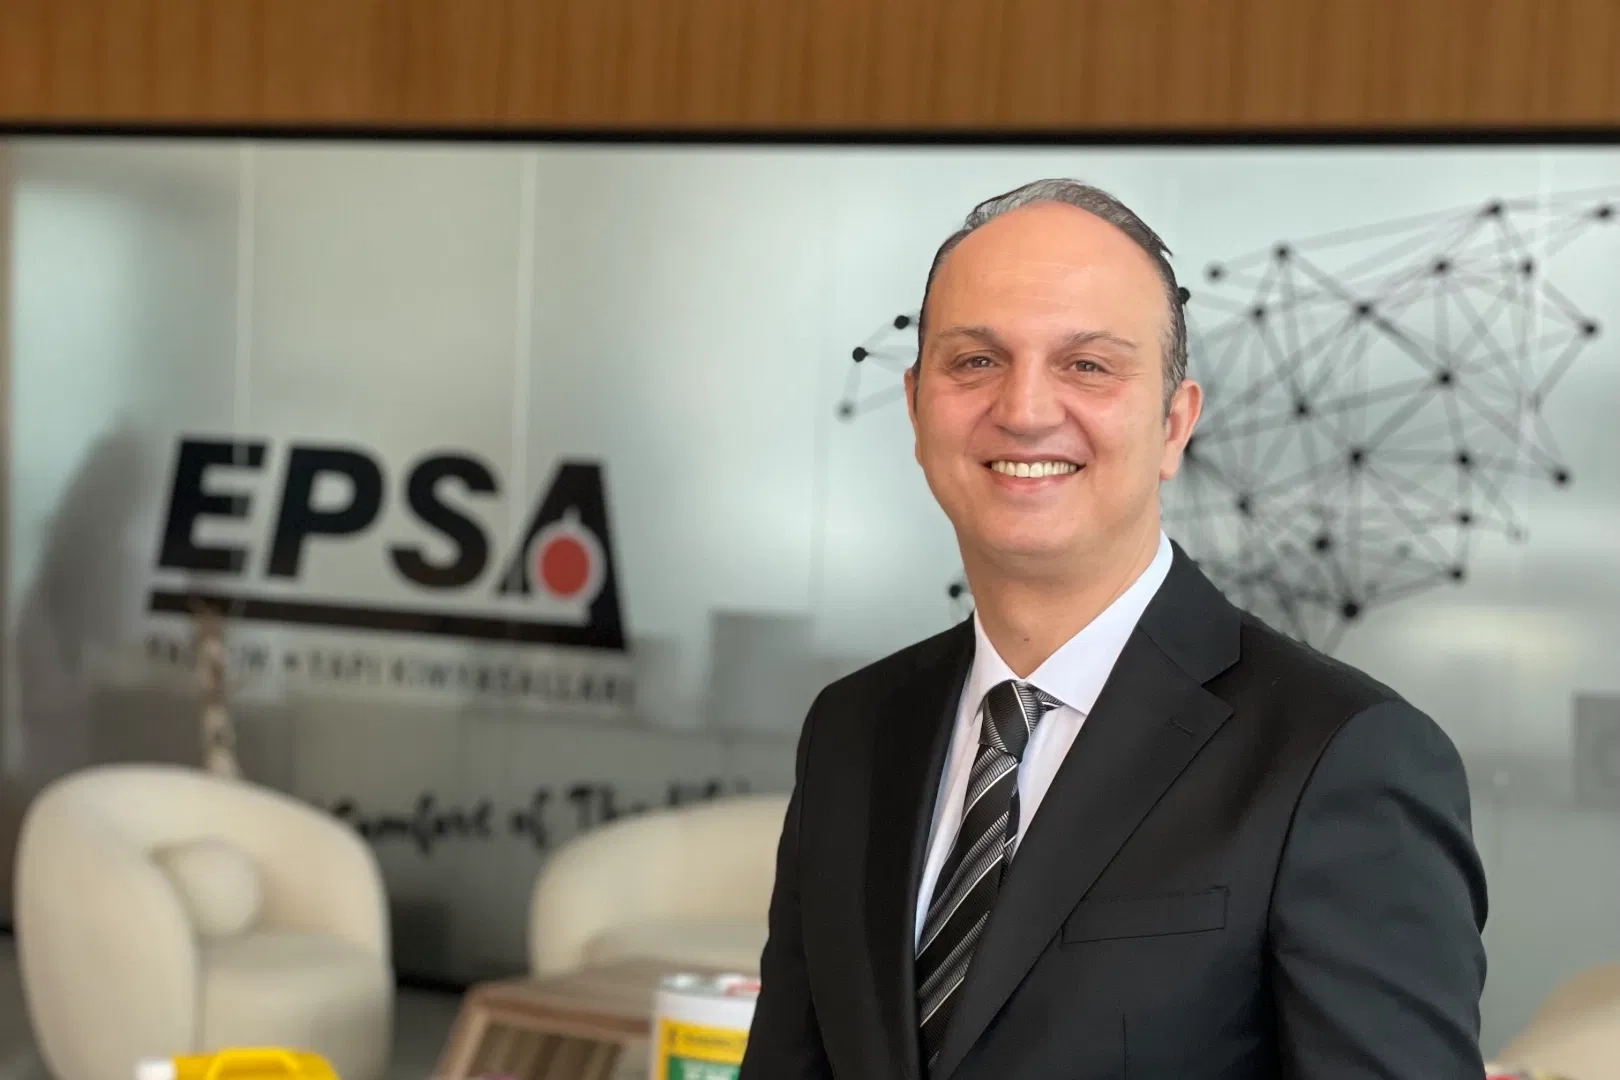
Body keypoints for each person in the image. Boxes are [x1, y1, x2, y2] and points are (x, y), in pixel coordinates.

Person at [739, 179, 1488, 1080]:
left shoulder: (1342, 758)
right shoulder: (853, 730)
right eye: (975, 360)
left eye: (1088, 365)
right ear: (915, 406)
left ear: (1175, 424)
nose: (1024, 408)